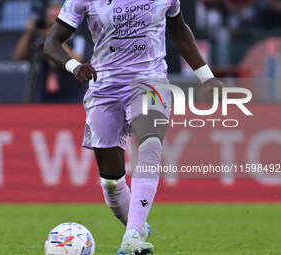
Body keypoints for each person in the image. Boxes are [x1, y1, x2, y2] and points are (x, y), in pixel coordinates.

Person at [44, 0, 224, 254]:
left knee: (150, 145)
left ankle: (130, 238)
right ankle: (136, 227)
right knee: (111, 181)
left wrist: (206, 77)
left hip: (150, 80)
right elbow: (52, 42)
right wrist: (74, 66)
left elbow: (180, 30)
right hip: (104, 87)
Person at [13, 0, 85, 102]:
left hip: (70, 95)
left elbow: (78, 61)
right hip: (45, 95)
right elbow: (19, 56)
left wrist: (56, 38)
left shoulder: (77, 39)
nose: (53, 14)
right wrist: (28, 33)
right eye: (51, 11)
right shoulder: (40, 38)